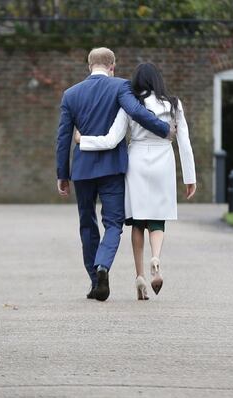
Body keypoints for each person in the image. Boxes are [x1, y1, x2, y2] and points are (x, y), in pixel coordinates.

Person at [56, 47, 175, 302]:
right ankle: (103, 266)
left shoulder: (70, 94)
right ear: (112, 66)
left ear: (89, 66)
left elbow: (63, 138)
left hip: (83, 170)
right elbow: (137, 113)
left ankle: (94, 279)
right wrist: (164, 129)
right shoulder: (121, 87)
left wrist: (62, 174)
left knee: (87, 223)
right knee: (113, 223)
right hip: (112, 169)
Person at [76, 62, 196, 300]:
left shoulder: (130, 105)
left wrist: (83, 140)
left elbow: (111, 140)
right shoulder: (173, 104)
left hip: (138, 160)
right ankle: (156, 258)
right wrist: (190, 177)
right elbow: (184, 142)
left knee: (137, 220)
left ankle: (140, 274)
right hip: (163, 158)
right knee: (157, 217)